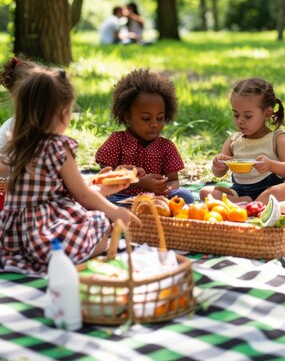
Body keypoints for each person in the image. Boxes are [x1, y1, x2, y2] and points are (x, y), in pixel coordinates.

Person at [0, 67, 140, 275]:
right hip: (44, 237)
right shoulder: (57, 146)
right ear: (62, 113)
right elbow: (81, 194)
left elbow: (57, 189)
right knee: (100, 227)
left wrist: (99, 188)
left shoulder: (17, 143)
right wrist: (114, 212)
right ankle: (69, 256)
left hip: (13, 236)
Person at [95, 68, 195, 204]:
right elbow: (105, 177)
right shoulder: (117, 141)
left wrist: (165, 189)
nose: (154, 124)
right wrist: (139, 182)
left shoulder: (166, 147)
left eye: (160, 118)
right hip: (120, 198)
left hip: (156, 199)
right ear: (127, 116)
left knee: (186, 196)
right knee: (100, 198)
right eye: (146, 118)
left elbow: (173, 180)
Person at [199, 77, 285, 204]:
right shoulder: (234, 140)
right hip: (238, 191)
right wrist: (217, 165)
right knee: (206, 192)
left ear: (267, 113)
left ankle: (247, 204)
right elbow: (218, 173)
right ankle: (246, 204)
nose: (240, 120)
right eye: (236, 114)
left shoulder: (277, 138)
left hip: (268, 190)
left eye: (248, 116)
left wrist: (271, 165)